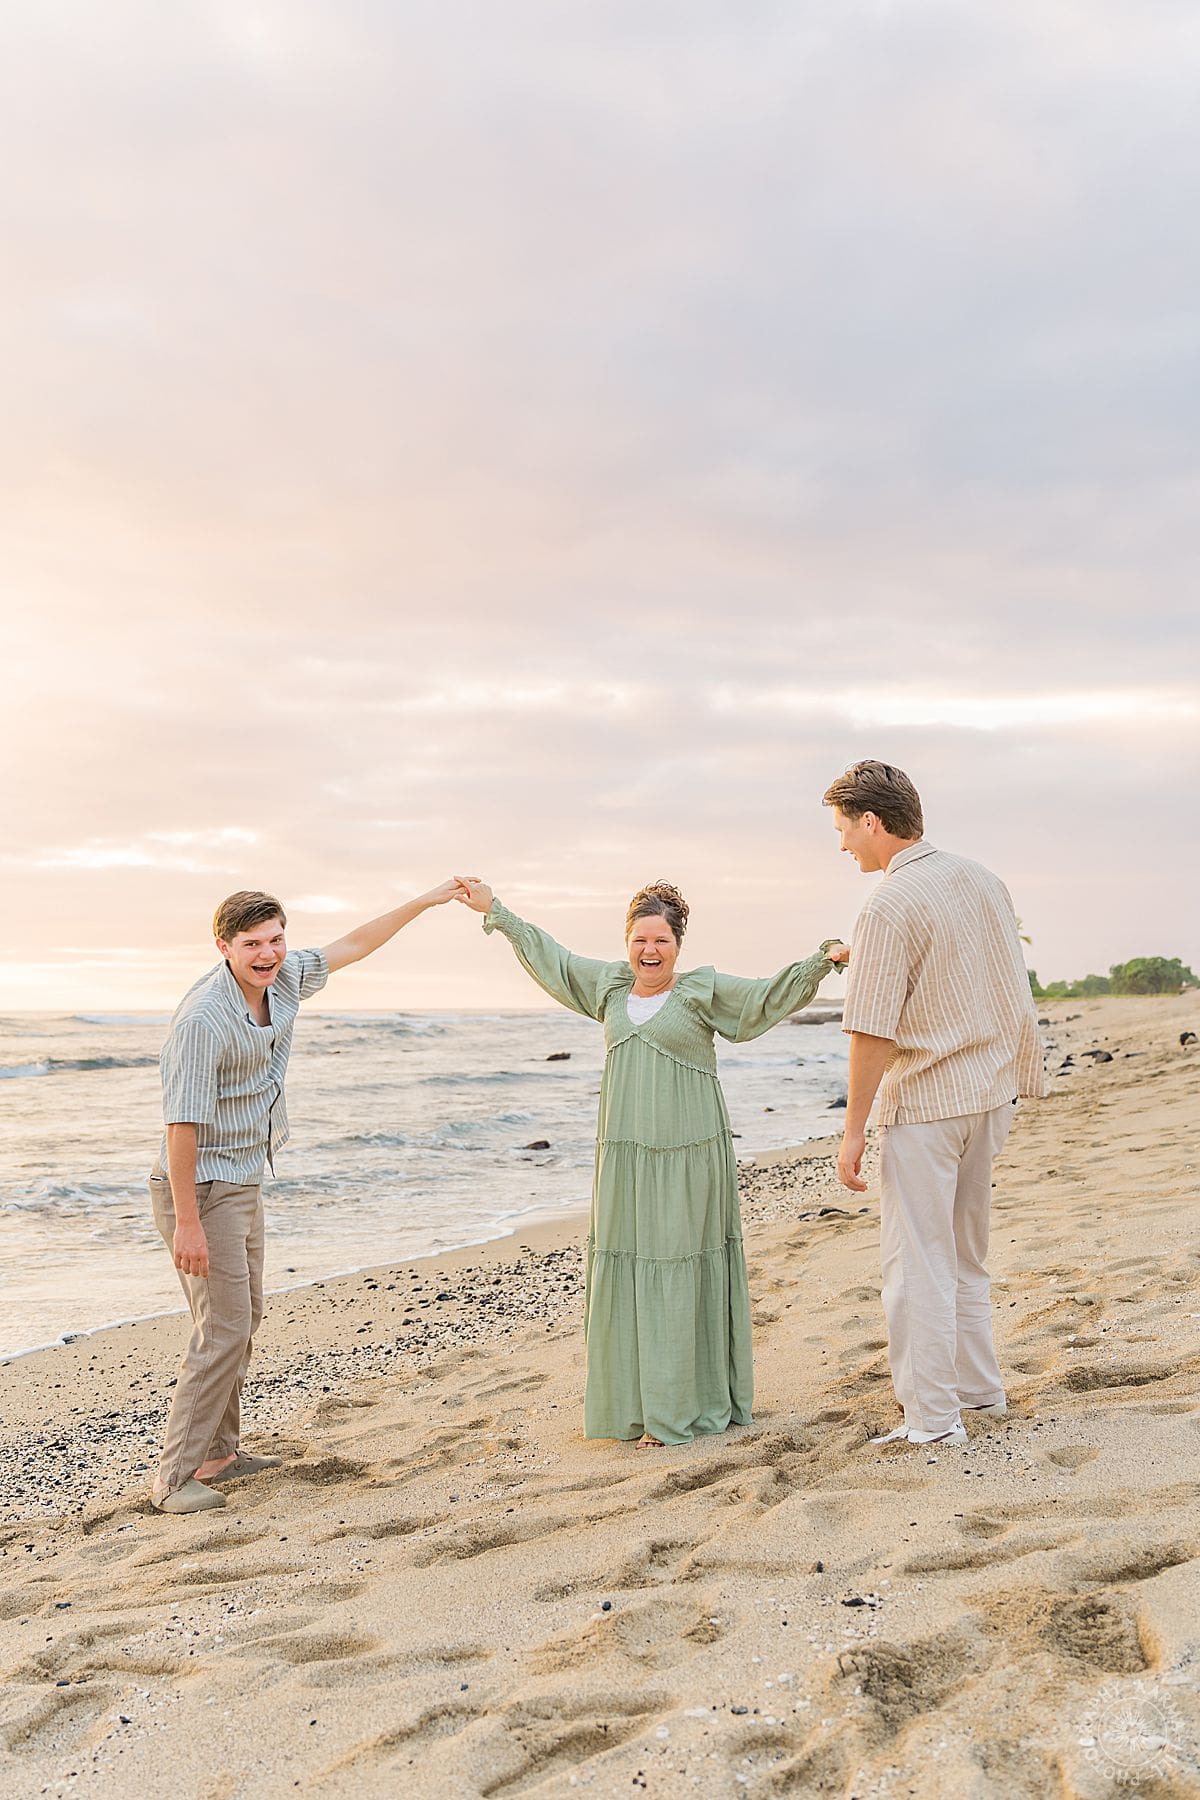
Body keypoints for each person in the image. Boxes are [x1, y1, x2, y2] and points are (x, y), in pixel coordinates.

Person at [455, 876, 847, 1448]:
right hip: (626, 1158)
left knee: (680, 1266)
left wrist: (819, 964)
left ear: (678, 945)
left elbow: (763, 999)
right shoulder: (609, 989)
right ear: (627, 941)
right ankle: (637, 1406)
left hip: (690, 1157)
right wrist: (498, 912)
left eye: (661, 940)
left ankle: (678, 1409)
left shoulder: (699, 992)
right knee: (634, 1268)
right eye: (640, 939)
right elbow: (554, 960)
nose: (649, 951)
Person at [149, 879, 463, 1514]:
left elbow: (356, 942)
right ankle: (171, 1480)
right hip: (202, 1187)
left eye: (275, 940)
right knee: (224, 1329)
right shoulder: (204, 1019)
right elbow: (179, 1126)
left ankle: (218, 1454)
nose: (266, 954)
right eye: (251, 944)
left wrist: (426, 901)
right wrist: (187, 1223)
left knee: (241, 1319)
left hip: (243, 1177)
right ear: (223, 946)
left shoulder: (284, 978)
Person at [824, 760, 1045, 1448]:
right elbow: (1012, 987)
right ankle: (979, 1393)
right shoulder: (983, 879)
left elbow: (871, 1031)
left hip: (926, 1105)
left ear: (871, 821)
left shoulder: (888, 904)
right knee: (963, 1254)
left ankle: (931, 1421)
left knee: (916, 1263)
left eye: (843, 830)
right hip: (989, 1095)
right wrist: (1019, 1076)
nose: (842, 846)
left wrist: (853, 1130)